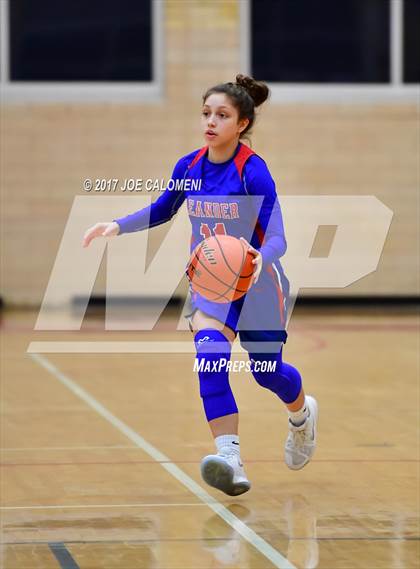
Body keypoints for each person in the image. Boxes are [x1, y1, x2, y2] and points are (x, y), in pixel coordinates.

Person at [83, 74, 318, 497]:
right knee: (211, 358)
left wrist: (256, 257)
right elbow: (162, 209)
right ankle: (230, 458)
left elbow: (278, 237)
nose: (211, 122)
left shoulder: (252, 172)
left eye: (222, 115)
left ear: (241, 123)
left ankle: (302, 416)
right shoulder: (189, 167)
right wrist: (116, 225)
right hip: (210, 284)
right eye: (206, 113)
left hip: (258, 284)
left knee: (268, 374)